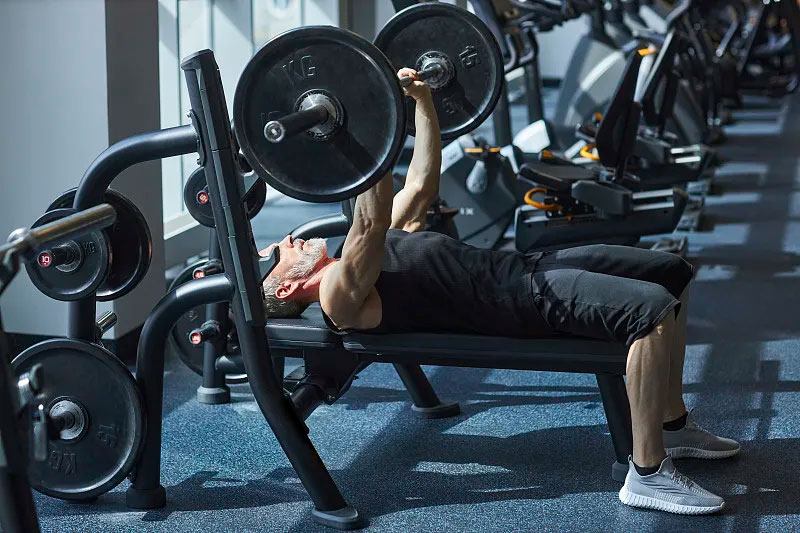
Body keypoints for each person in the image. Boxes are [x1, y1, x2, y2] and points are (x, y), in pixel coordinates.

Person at [259, 68, 739, 515]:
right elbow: (369, 219)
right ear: (289, 285)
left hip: (526, 268)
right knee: (650, 313)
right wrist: (372, 119)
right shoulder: (339, 297)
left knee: (672, 272)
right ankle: (648, 473)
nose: (287, 240)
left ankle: (672, 425)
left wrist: (422, 101)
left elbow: (421, 185)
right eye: (278, 252)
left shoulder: (358, 253)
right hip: (519, 302)